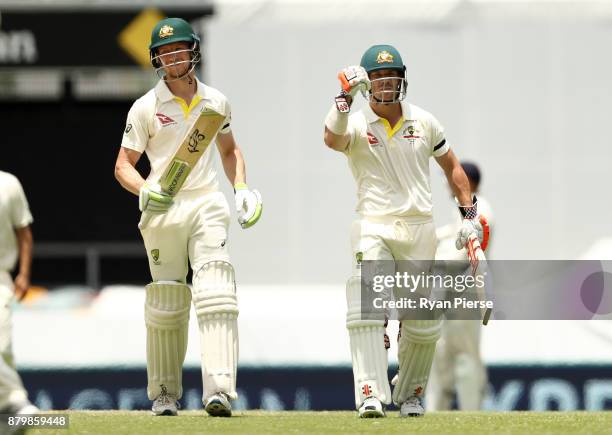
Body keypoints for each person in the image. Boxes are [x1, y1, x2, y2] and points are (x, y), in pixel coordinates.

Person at [323, 45, 486, 418]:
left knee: (422, 317)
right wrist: (342, 99)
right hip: (373, 224)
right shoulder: (356, 122)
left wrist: (469, 216)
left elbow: (454, 170)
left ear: (403, 79)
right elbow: (331, 139)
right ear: (367, 85)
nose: (387, 84)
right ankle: (369, 392)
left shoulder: (424, 122)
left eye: (392, 77)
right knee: (369, 302)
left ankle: (411, 393)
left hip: (418, 227)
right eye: (379, 78)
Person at [114, 17, 262, 417]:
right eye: (164, 52)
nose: (172, 57)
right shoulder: (145, 107)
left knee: (216, 287)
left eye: (178, 49)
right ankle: (164, 394)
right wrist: (146, 189)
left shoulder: (216, 102)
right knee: (167, 300)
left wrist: (242, 188)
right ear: (156, 58)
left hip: (206, 202)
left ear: (192, 51)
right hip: (164, 209)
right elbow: (123, 165)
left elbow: (230, 152)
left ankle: (219, 391)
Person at [427, 161, 493, 411]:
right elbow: (449, 235)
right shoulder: (464, 209)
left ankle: (471, 415)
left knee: (465, 358)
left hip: (466, 296)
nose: (447, 182)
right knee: (441, 357)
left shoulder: (480, 209)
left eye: (452, 177)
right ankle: (436, 415)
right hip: (447, 297)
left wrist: (433, 262)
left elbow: (468, 253)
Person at [0, 170, 38, 415]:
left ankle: (13, 403)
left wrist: (23, 274)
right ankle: (12, 405)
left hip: (1, 277)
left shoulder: (8, 183)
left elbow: (24, 234)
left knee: (2, 344)